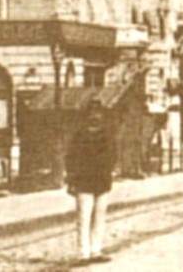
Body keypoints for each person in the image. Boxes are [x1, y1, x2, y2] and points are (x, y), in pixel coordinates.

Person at [64, 100, 117, 265]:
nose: (95, 116)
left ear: (102, 116)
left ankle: (96, 250)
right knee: (84, 218)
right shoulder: (80, 136)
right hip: (84, 181)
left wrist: (109, 171)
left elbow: (113, 156)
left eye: (98, 113)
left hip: (102, 181)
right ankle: (83, 253)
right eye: (92, 113)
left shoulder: (107, 136)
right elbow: (71, 158)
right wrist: (72, 178)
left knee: (99, 217)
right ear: (87, 116)